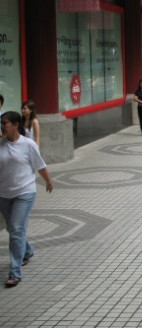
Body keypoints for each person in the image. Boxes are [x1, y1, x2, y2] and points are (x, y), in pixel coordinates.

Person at [0, 111, 53, 288]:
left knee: (15, 229)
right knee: (13, 229)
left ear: (15, 125)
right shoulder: (0, 145)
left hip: (25, 193)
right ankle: (27, 250)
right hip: (4, 194)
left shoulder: (28, 144)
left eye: (5, 123)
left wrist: (48, 181)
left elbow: (40, 165)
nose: (2, 126)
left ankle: (15, 272)